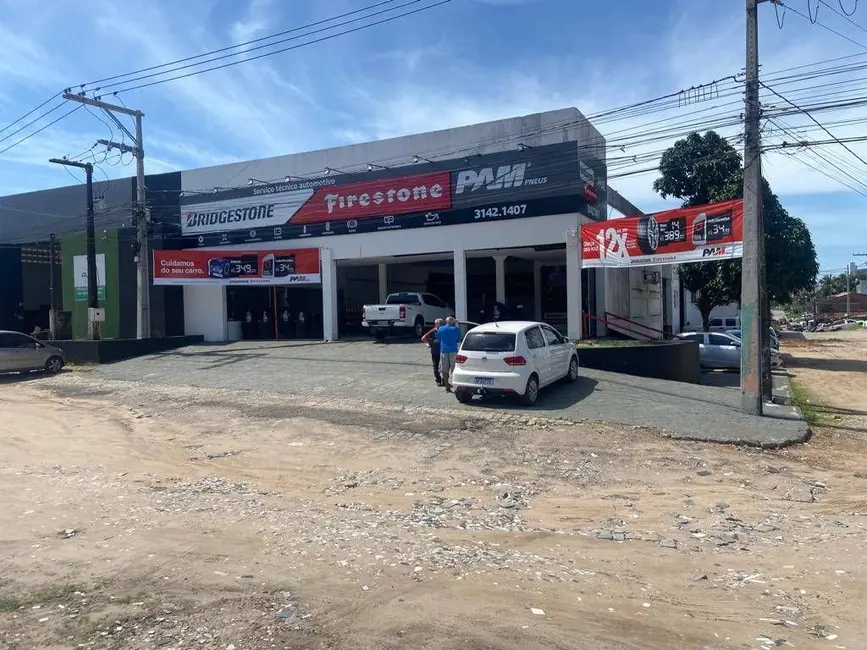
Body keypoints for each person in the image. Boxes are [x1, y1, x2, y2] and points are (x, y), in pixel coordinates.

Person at [436, 316, 461, 392]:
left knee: (444, 370)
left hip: (443, 350)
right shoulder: (456, 329)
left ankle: (447, 386)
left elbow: (439, 338)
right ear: (452, 322)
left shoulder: (441, 329)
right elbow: (458, 339)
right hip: (453, 350)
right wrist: (456, 324)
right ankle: (455, 385)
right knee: (454, 369)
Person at [421, 318, 444, 386]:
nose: (436, 325)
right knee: (436, 366)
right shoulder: (433, 330)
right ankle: (438, 380)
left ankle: (444, 381)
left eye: (438, 323)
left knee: (444, 367)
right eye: (436, 324)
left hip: (443, 351)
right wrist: (430, 343)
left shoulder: (444, 330)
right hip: (435, 351)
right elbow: (423, 338)